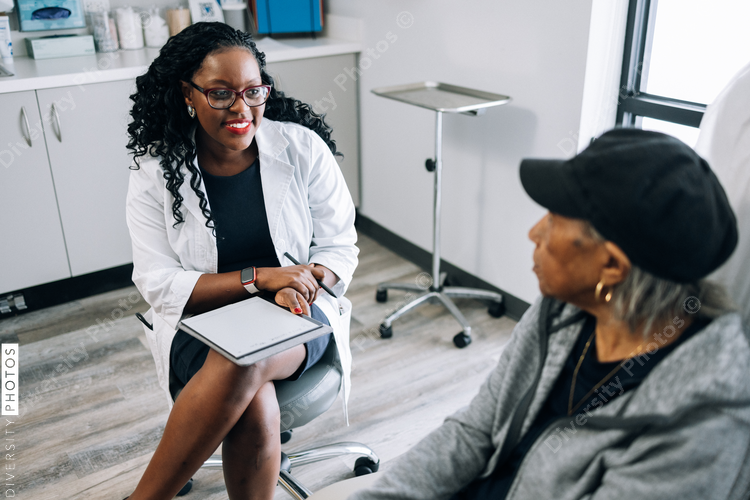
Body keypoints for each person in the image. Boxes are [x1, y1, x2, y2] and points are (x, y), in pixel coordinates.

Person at [347, 129, 750, 500]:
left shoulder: (702, 419)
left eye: (555, 219)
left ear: (611, 267)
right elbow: (476, 430)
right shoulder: (561, 310)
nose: (535, 232)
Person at [124, 22, 357, 500]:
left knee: (245, 362)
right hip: (201, 323)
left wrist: (304, 283)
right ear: (187, 94)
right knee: (250, 392)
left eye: (254, 91)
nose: (241, 108)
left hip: (296, 313)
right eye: (220, 94)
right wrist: (262, 279)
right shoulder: (154, 173)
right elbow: (159, 284)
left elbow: (339, 247)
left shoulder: (301, 148)